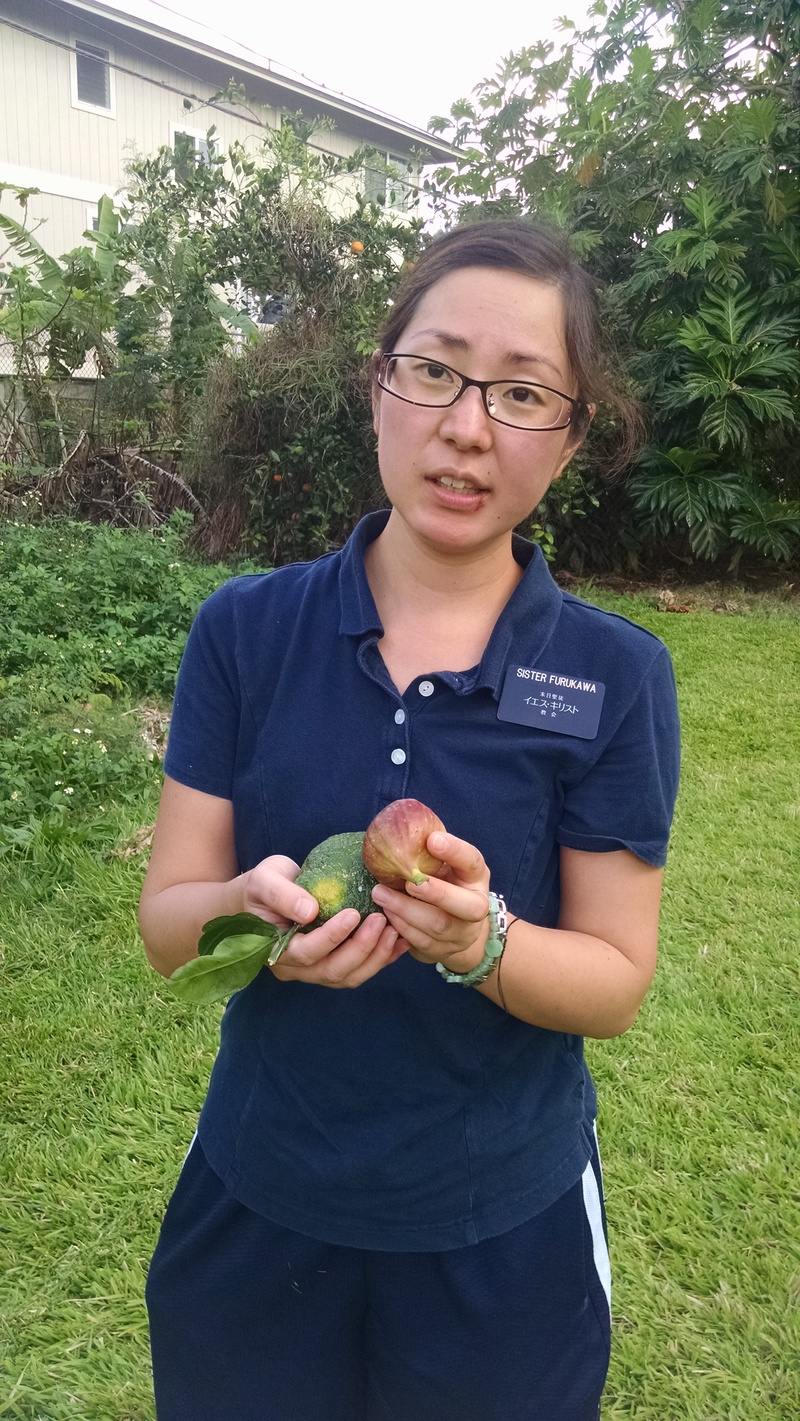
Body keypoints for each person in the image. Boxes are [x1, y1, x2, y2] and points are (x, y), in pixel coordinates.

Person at [139, 218, 680, 1421]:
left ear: (572, 434)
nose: (467, 424)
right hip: (258, 1198)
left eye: (523, 392)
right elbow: (169, 922)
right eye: (433, 368)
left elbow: (614, 979)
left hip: (500, 1232)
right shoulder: (245, 629)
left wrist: (479, 943)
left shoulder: (611, 673)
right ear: (379, 382)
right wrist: (240, 913)